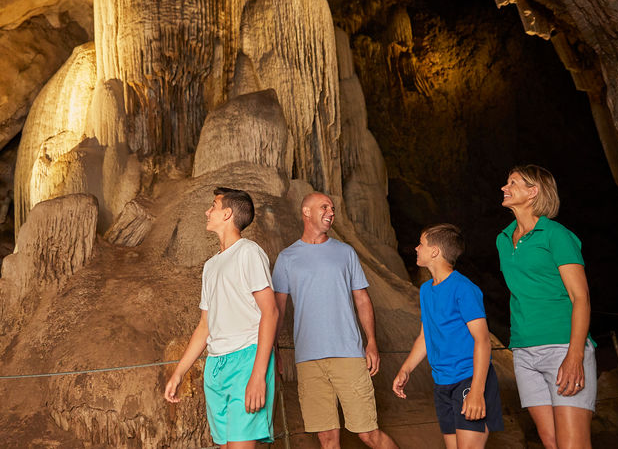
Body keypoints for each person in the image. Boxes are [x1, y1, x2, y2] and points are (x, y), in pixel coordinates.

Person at [272, 192, 398, 449]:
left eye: (332, 208)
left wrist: (371, 341)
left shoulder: (345, 252)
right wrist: (273, 349)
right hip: (308, 360)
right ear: (306, 212)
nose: (331, 212)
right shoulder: (287, 258)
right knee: (327, 439)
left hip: (348, 354)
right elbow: (278, 309)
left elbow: (362, 299)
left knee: (369, 433)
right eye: (325, 207)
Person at [164, 187, 278, 448]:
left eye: (213, 206)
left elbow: (270, 312)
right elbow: (205, 326)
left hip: (247, 360)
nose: (207, 211)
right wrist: (179, 373)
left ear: (227, 214)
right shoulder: (211, 266)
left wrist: (258, 375)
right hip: (216, 365)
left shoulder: (249, 253)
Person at [497, 165, 595, 449]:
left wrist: (575, 355)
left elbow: (580, 297)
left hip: (562, 346)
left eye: (512, 183)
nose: (504, 188)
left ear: (533, 192)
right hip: (523, 351)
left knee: (572, 444)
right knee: (551, 442)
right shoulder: (503, 239)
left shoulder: (556, 235)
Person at [392, 224, 503, 448]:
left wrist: (477, 391)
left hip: (469, 379)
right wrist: (406, 369)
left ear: (435, 251)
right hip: (442, 383)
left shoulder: (464, 288)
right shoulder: (426, 290)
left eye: (421, 244)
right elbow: (425, 336)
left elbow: (482, 340)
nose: (416, 248)